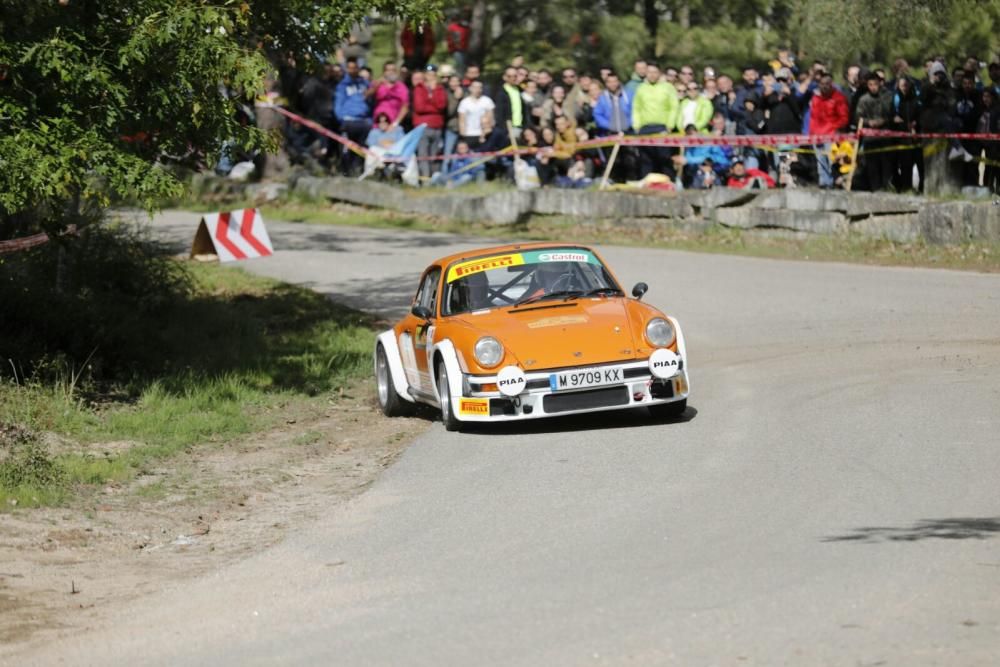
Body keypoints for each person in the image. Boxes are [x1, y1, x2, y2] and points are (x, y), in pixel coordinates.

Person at [631, 63, 679, 178]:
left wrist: (670, 125)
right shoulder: (641, 88)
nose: (652, 75)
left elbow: (674, 107)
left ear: (659, 73)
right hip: (644, 128)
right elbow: (636, 108)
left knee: (664, 159)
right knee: (646, 160)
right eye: (649, 72)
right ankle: (646, 185)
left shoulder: (668, 87)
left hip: (662, 127)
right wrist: (636, 126)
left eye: (654, 72)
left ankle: (669, 183)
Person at [809, 74, 850, 188]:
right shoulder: (816, 98)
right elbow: (813, 118)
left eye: (827, 84)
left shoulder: (838, 98)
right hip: (817, 136)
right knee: (820, 163)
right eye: (822, 84)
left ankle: (834, 185)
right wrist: (811, 134)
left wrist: (834, 129)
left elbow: (844, 118)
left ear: (832, 84)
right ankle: (824, 185)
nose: (825, 86)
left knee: (832, 162)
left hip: (831, 136)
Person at [333, 57, 371, 176]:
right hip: (348, 122)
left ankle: (358, 172)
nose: (352, 70)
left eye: (354, 68)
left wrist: (370, 120)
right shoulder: (342, 85)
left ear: (358, 68)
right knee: (346, 150)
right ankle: (346, 173)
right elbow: (338, 104)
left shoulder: (365, 84)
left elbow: (371, 102)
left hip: (363, 122)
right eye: (349, 68)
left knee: (361, 150)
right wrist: (342, 119)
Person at [412, 65, 448, 178]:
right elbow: (419, 107)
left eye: (433, 74)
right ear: (425, 75)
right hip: (423, 126)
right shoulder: (419, 88)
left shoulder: (440, 88)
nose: (431, 77)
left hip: (437, 126)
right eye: (428, 74)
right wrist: (432, 102)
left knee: (434, 154)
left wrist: (431, 95)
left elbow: (442, 105)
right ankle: (425, 178)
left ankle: (433, 178)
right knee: (423, 154)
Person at [370, 62, 410, 128]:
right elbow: (367, 95)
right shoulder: (377, 84)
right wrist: (377, 84)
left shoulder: (402, 87)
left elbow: (405, 107)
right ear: (384, 72)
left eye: (393, 70)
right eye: (388, 70)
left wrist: (395, 124)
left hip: (393, 124)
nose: (391, 72)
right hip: (377, 123)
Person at [457, 80, 494, 150]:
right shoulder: (464, 102)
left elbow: (490, 119)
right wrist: (463, 136)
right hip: (469, 134)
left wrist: (485, 133)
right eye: (475, 87)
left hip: (484, 134)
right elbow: (461, 120)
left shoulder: (487, 101)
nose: (478, 90)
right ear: (470, 88)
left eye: (480, 87)